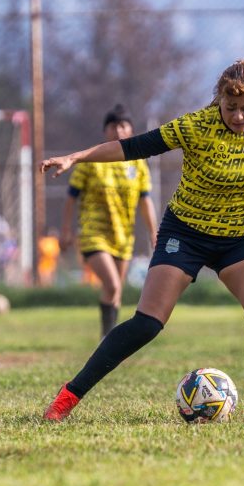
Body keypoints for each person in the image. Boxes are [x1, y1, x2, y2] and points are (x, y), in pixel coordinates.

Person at [40, 59, 244, 422]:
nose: (238, 117)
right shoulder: (194, 126)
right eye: (231, 108)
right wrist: (76, 157)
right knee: (146, 324)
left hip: (237, 238)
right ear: (218, 100)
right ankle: (69, 396)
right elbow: (133, 147)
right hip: (185, 234)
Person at [59, 105, 158, 337]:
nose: (118, 130)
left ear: (131, 130)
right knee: (112, 284)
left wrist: (154, 232)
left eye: (123, 125)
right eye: (113, 126)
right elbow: (71, 198)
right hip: (94, 233)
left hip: (123, 235)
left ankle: (109, 341)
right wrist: (65, 230)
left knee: (115, 291)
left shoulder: (138, 164)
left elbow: (145, 201)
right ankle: (108, 339)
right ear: (105, 131)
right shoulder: (92, 161)